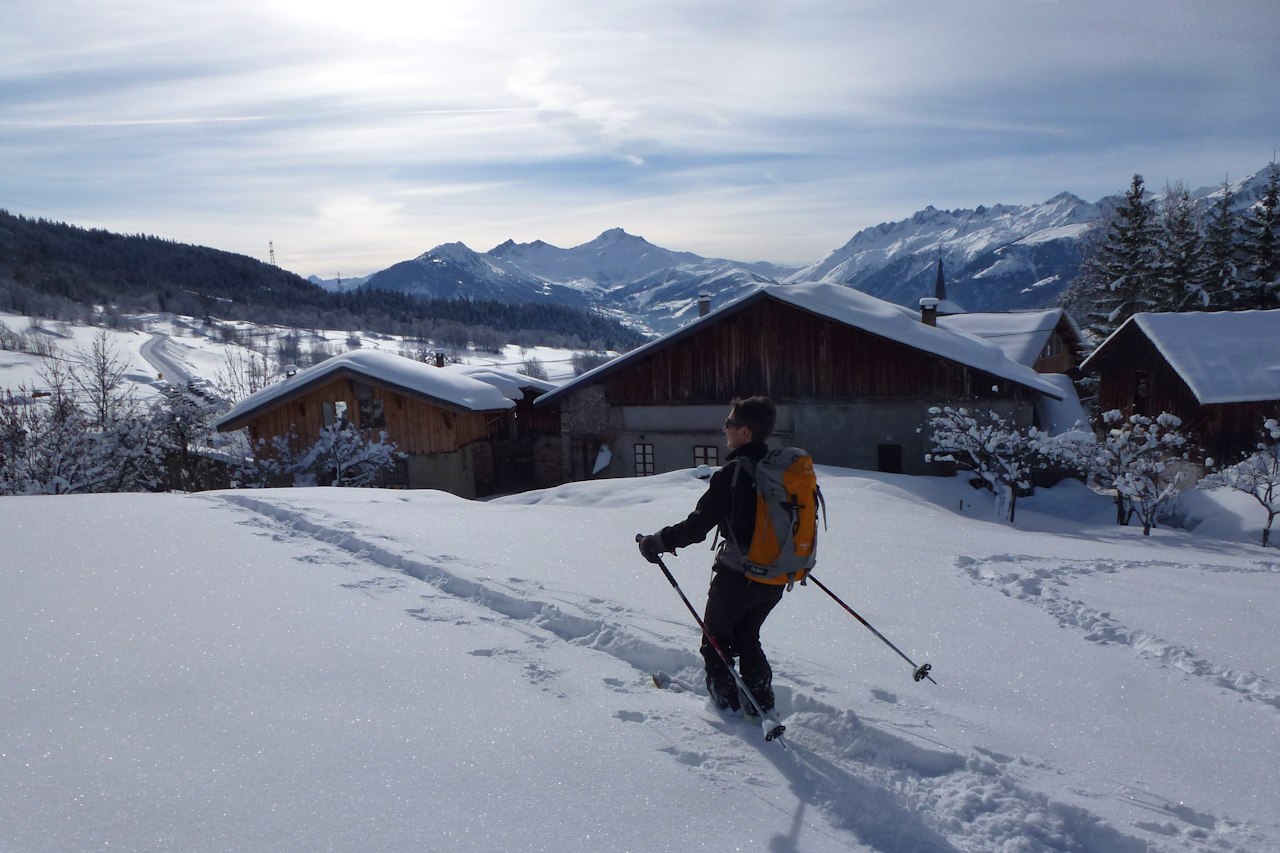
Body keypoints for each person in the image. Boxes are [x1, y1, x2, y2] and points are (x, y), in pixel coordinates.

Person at [637, 395, 785, 715]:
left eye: (729, 423)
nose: (725, 428)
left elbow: (697, 526)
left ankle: (727, 711)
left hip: (738, 578)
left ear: (745, 431)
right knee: (747, 637)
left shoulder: (733, 473)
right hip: (776, 577)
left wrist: (656, 543)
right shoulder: (780, 468)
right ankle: (761, 701)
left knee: (715, 644)